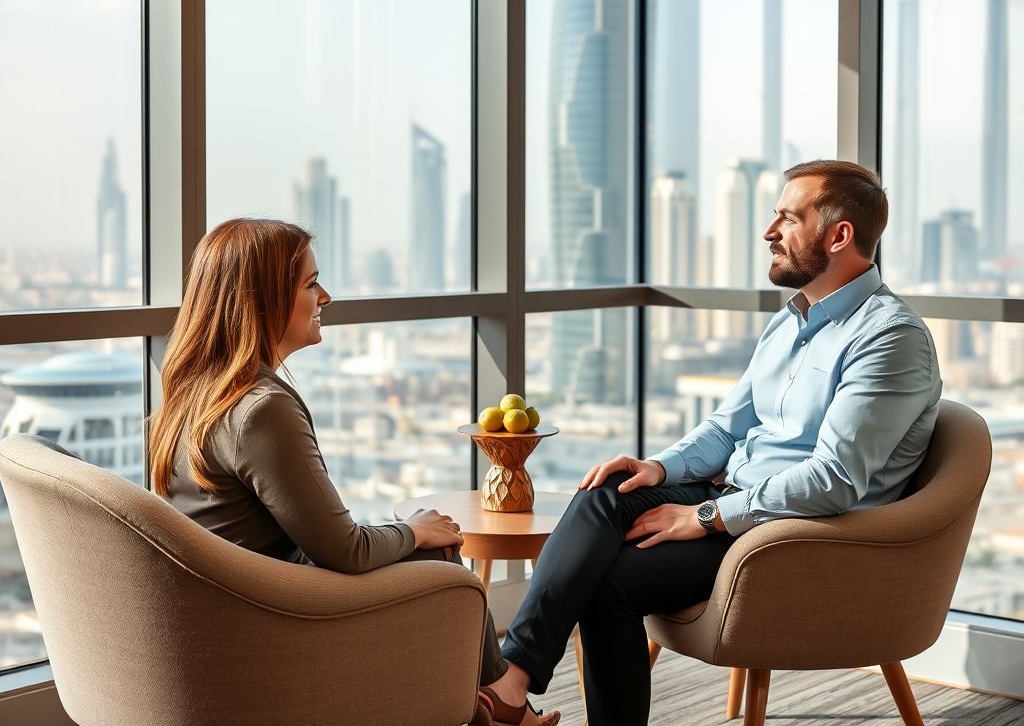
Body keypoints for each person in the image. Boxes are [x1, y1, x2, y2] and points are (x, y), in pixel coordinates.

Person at [484, 160, 943, 725]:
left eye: (787, 218)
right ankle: (513, 681)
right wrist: (660, 467)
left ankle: (515, 691)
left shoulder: (890, 339)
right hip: (735, 498)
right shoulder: (790, 321)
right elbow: (728, 426)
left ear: (839, 235)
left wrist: (706, 515)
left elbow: (834, 481)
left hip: (799, 534)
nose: (770, 232)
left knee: (612, 583)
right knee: (608, 489)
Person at [148, 218, 558, 726]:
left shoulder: (188, 395)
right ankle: (500, 705)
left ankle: (491, 707)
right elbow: (345, 550)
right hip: (281, 625)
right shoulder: (260, 409)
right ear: (263, 300)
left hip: (232, 617)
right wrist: (413, 532)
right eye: (309, 283)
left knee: (433, 550)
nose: (326, 296)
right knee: (446, 561)